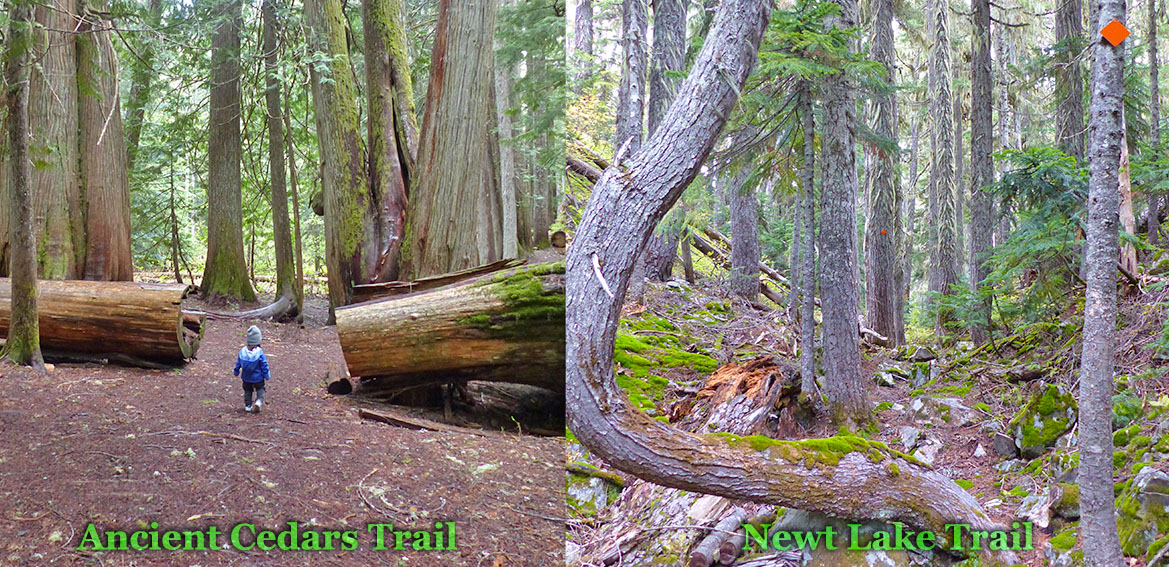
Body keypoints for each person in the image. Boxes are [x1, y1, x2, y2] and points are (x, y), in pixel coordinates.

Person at [234, 325, 270, 413]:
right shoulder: (259, 352)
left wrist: (236, 371)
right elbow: (264, 365)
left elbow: (238, 363)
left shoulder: (242, 352)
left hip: (246, 377)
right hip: (258, 378)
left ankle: (248, 405)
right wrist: (267, 375)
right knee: (261, 388)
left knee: (247, 390)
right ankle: (258, 401)